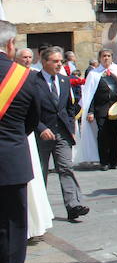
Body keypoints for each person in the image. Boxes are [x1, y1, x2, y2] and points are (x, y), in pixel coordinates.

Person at [0, 21, 41, 263]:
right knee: (12, 232)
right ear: (11, 45)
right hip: (11, 163)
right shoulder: (25, 78)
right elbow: (32, 122)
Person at [34, 46, 89, 223]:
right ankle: (39, 211)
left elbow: (69, 107)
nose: (59, 64)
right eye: (55, 61)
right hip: (42, 133)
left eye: (61, 61)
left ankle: (73, 205)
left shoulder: (65, 80)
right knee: (40, 172)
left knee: (66, 168)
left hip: (62, 133)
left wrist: (71, 128)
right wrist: (41, 128)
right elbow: (29, 110)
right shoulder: (34, 81)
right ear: (44, 62)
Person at [82, 49, 117, 170]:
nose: (106, 58)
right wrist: (91, 111)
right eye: (104, 56)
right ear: (100, 58)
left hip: (116, 108)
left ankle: (114, 161)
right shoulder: (94, 74)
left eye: (109, 56)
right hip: (101, 109)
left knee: (115, 135)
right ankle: (104, 161)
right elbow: (90, 94)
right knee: (103, 135)